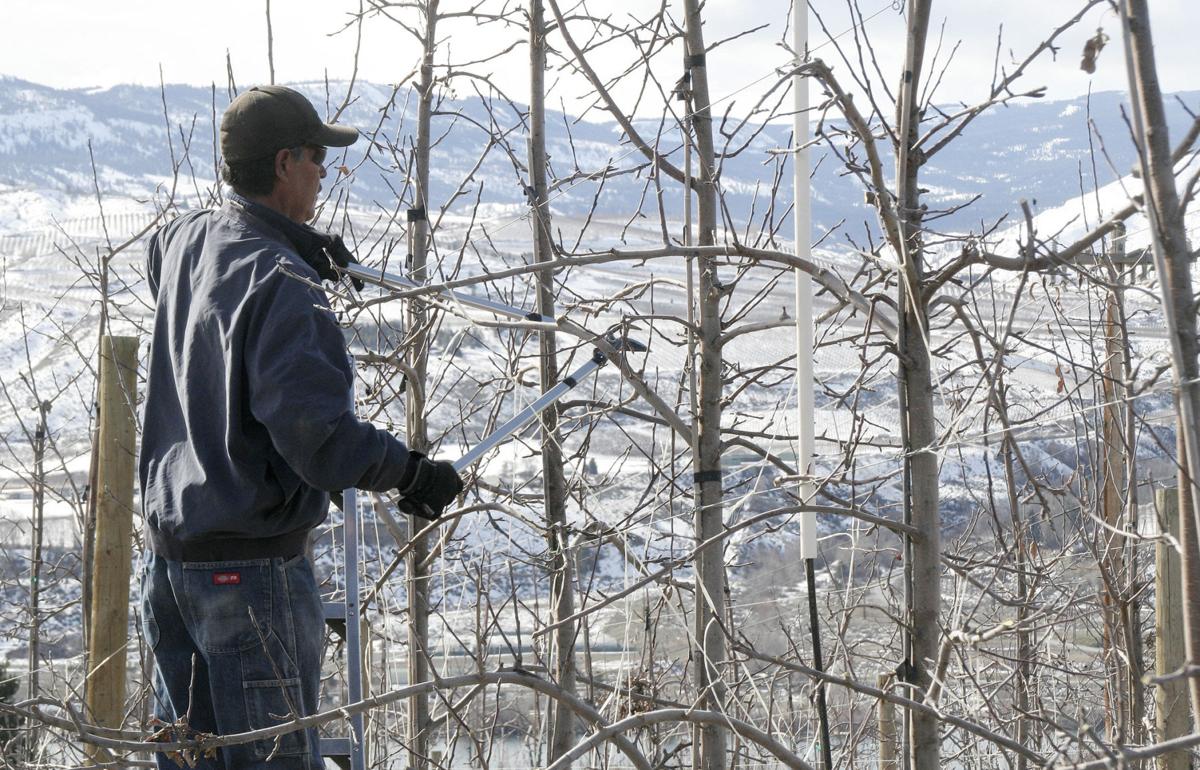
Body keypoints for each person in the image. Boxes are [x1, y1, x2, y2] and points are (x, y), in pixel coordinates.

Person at [138, 84, 462, 769]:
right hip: (250, 580)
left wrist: (300, 243)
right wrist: (412, 474)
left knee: (189, 759)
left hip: (168, 570)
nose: (325, 170)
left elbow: (162, 254)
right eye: (317, 156)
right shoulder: (282, 283)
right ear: (286, 163)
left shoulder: (192, 238)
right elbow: (321, 442)